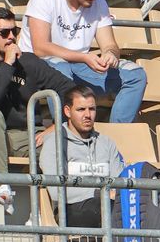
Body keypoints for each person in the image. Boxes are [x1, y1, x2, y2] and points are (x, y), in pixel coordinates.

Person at [19, 0, 149, 124]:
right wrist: (85, 57)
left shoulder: (99, 2)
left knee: (136, 75)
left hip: (79, 66)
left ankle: (118, 136)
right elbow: (41, 48)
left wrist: (110, 54)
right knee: (61, 69)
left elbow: (109, 44)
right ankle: (65, 131)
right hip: (38, 66)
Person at [0, 6, 70, 203]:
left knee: (65, 144)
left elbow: (70, 90)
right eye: (3, 32)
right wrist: (7, 65)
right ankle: (2, 186)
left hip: (30, 138)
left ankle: (65, 215)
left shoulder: (28, 62)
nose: (10, 37)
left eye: (14, 31)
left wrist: (55, 126)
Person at [36, 85, 125, 228]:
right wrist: (100, 193)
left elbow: (120, 181)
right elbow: (56, 191)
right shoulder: (55, 142)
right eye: (81, 109)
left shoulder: (107, 143)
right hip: (71, 209)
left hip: (108, 204)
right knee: (111, 209)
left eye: (92, 109)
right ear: (67, 111)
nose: (88, 115)